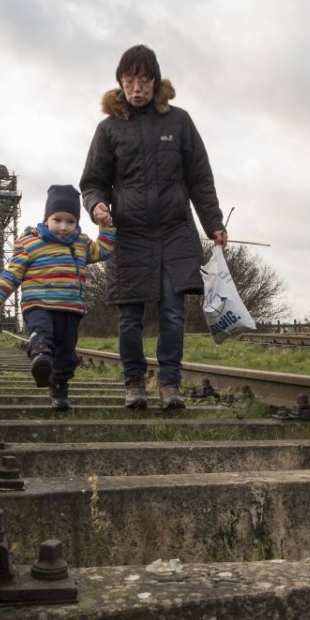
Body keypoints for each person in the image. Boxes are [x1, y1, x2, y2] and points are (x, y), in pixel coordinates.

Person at [80, 44, 228, 410]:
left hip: (174, 230)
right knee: (130, 315)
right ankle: (133, 383)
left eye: (144, 80)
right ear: (121, 82)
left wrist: (214, 223)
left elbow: (200, 179)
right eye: (130, 80)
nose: (137, 88)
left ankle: (170, 383)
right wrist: (97, 205)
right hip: (129, 232)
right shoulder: (108, 128)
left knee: (173, 311)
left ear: (155, 81)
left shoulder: (179, 122)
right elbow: (93, 181)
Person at [0, 184, 115, 411]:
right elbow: (13, 271)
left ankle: (59, 387)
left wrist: (106, 228)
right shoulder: (30, 243)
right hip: (39, 305)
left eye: (70, 221)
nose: (64, 227)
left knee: (66, 352)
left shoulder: (81, 243)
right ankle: (40, 358)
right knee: (42, 335)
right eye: (57, 220)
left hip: (70, 309)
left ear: (76, 223)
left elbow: (103, 251)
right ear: (47, 219)